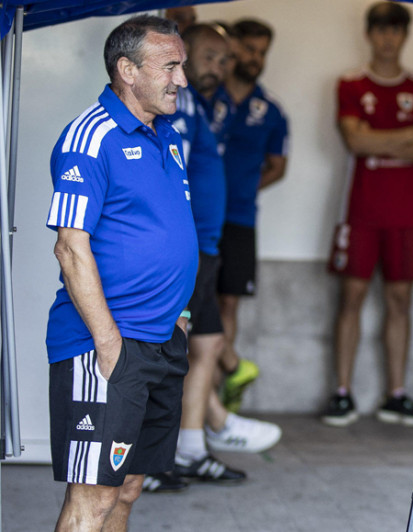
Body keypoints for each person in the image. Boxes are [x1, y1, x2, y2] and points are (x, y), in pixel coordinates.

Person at [45, 15, 198, 530]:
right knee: (94, 497)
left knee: (128, 489)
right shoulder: (90, 137)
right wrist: (109, 345)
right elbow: (70, 248)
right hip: (107, 346)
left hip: (161, 340)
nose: (182, 79)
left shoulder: (168, 137)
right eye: (170, 66)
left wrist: (179, 314)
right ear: (127, 70)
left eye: (183, 66)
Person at [141, 22, 282, 494]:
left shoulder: (199, 104)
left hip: (206, 246)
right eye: (207, 57)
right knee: (171, 350)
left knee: (203, 347)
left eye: (223, 59)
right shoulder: (173, 105)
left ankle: (192, 449)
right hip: (183, 251)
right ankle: (153, 460)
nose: (216, 67)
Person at [322, 2, 413, 427]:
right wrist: (410, 135)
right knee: (351, 298)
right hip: (361, 210)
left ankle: (396, 393)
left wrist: (379, 139)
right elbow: (356, 143)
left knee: (400, 302)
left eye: (396, 30)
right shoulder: (351, 84)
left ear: (404, 35)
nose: (388, 38)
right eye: (381, 30)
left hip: (406, 212)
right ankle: (341, 393)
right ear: (370, 34)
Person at [213, 18, 290, 413]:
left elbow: (278, 166)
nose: (255, 59)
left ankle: (219, 394)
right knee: (197, 301)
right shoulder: (206, 95)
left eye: (261, 52)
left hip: (241, 218)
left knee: (228, 303)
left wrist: (242, 189)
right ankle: (228, 366)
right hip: (199, 217)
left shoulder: (272, 110)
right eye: (248, 50)